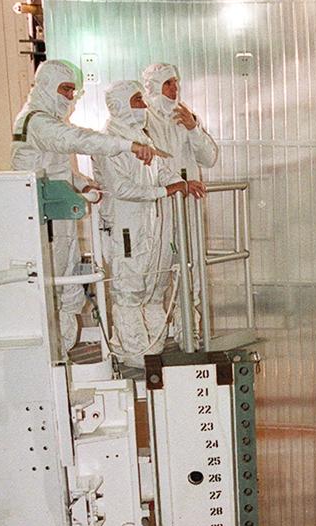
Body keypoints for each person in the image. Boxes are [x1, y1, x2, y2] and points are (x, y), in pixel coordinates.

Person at [11, 59, 163, 353]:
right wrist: (126, 145)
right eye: (65, 89)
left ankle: (62, 357)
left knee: (67, 290)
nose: (69, 97)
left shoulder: (48, 122)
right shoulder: (36, 122)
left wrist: (82, 184)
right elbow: (78, 140)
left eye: (73, 91)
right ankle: (51, 359)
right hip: (42, 224)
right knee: (53, 290)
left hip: (58, 219)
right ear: (45, 86)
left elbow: (57, 169)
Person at [92, 81, 192, 368]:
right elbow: (121, 188)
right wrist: (165, 191)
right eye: (138, 100)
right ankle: (133, 351)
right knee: (128, 289)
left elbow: (162, 172)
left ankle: (152, 345)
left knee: (153, 285)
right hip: (125, 226)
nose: (144, 106)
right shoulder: (108, 141)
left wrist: (180, 183)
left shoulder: (141, 137)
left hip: (149, 224)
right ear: (121, 104)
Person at [141, 63, 218, 338]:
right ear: (153, 87)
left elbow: (209, 157)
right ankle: (155, 333)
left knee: (192, 265)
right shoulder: (144, 120)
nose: (174, 89)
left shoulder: (186, 116)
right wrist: (175, 184)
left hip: (189, 205)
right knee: (159, 268)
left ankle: (188, 329)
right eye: (168, 84)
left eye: (176, 83)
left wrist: (194, 128)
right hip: (161, 205)